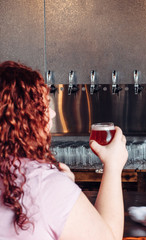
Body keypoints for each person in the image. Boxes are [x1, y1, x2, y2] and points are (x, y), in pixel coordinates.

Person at [0, 61, 127, 240]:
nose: (52, 114)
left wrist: (62, 188)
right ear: (22, 119)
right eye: (43, 108)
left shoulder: (47, 186)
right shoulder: (44, 185)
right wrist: (113, 166)